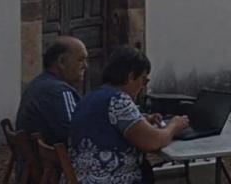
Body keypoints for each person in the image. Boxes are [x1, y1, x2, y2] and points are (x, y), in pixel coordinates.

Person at [69, 46, 189, 184]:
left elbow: (107, 125)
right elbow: (152, 142)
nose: (143, 87)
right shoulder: (118, 100)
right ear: (131, 76)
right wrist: (174, 126)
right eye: (144, 80)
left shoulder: (89, 99)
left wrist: (142, 120)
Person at [15, 36, 87, 144]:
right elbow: (76, 134)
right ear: (61, 62)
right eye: (80, 60)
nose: (85, 66)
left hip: (37, 152)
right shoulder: (60, 92)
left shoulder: (37, 84)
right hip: (56, 153)